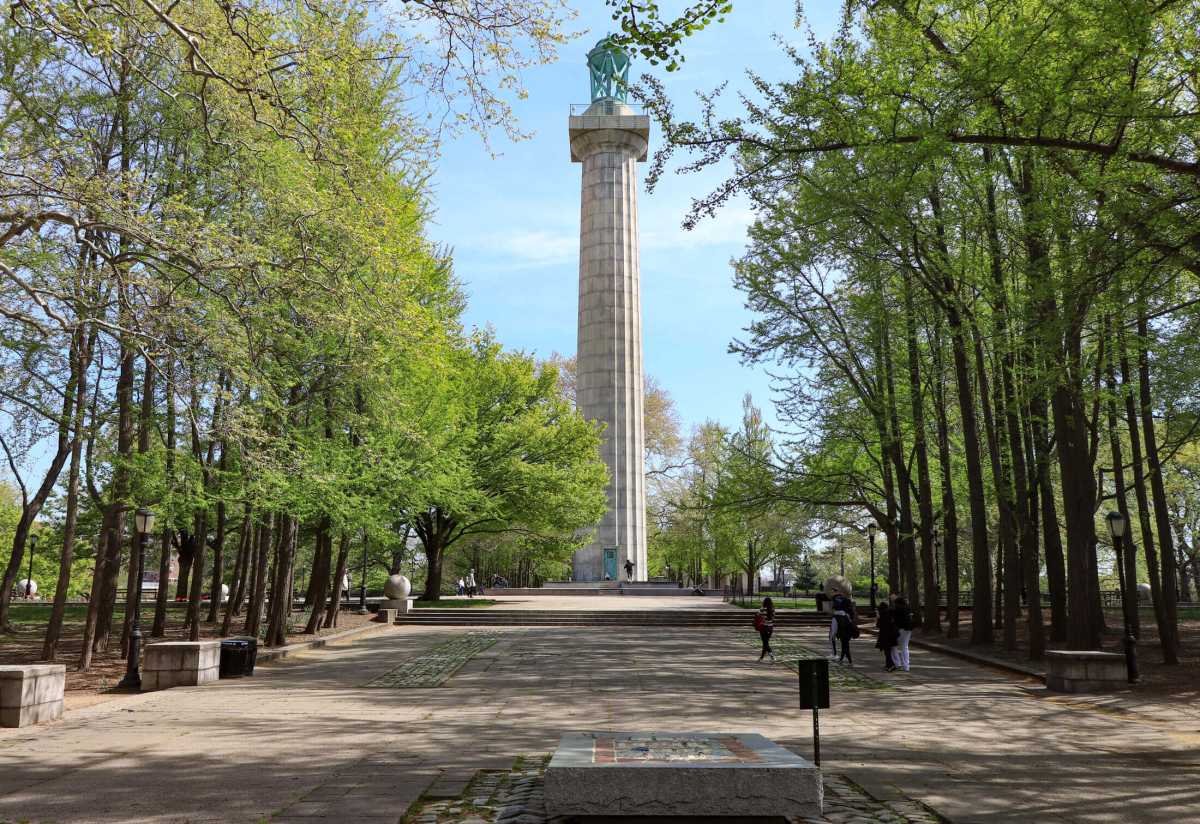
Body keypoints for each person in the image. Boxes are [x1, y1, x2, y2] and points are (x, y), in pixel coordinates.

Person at [831, 595, 857, 664]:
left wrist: (833, 636)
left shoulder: (835, 617)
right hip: (848, 632)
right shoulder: (846, 614)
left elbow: (834, 629)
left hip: (842, 633)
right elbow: (850, 622)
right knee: (846, 645)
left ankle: (845, 659)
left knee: (845, 646)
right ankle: (846, 659)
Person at [875, 601, 899, 671]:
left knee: (887, 651)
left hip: (885, 635)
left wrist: (878, 617)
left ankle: (891, 665)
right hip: (891, 635)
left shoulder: (883, 614)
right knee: (888, 650)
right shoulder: (890, 613)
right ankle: (888, 665)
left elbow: (878, 625)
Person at [893, 596, 913, 672]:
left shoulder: (897, 610)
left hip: (900, 629)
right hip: (908, 629)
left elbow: (895, 620)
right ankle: (906, 666)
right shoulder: (908, 609)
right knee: (905, 647)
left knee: (895, 646)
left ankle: (898, 663)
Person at [755, 596, 776, 662]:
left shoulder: (762, 609)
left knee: (765, 643)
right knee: (765, 643)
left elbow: (758, 615)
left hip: (763, 627)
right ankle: (761, 657)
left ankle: (772, 656)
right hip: (770, 628)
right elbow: (773, 618)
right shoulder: (772, 609)